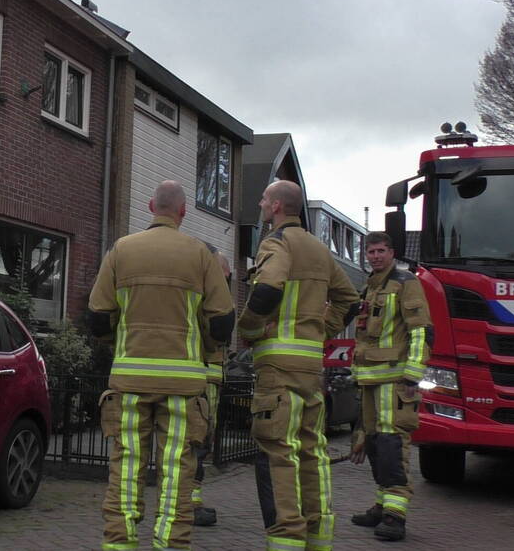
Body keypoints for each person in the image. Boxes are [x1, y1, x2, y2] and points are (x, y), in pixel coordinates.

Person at [88, 180, 235, 551]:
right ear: (183, 212)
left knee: (125, 469)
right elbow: (222, 323)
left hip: (129, 380)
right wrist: (203, 346)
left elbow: (98, 318)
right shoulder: (201, 254)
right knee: (176, 473)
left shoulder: (121, 250)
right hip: (184, 386)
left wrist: (120, 344)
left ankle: (119, 543)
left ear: (151, 206)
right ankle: (170, 543)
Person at [238, 180, 358, 551]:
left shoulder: (276, 243)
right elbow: (350, 299)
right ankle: (318, 537)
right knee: (312, 450)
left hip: (278, 366)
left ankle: (286, 538)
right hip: (309, 365)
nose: (259, 203)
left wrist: (250, 329)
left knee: (278, 451)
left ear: (275, 206)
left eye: (262, 198)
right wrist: (322, 330)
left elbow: (269, 287)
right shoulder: (320, 250)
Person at [348, 232, 432, 542]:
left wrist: (412, 375)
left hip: (394, 382)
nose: (375, 256)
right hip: (370, 380)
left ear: (392, 252)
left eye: (381, 251)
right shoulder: (371, 286)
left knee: (392, 444)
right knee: (373, 445)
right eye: (370, 251)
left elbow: (421, 329)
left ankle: (396, 517)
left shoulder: (404, 282)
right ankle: (383, 505)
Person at [192, 245, 232, 527]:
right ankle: (189, 502)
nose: (225, 280)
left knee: (202, 442)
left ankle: (190, 499)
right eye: (223, 274)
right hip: (202, 379)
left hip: (210, 377)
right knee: (197, 442)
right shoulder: (205, 300)